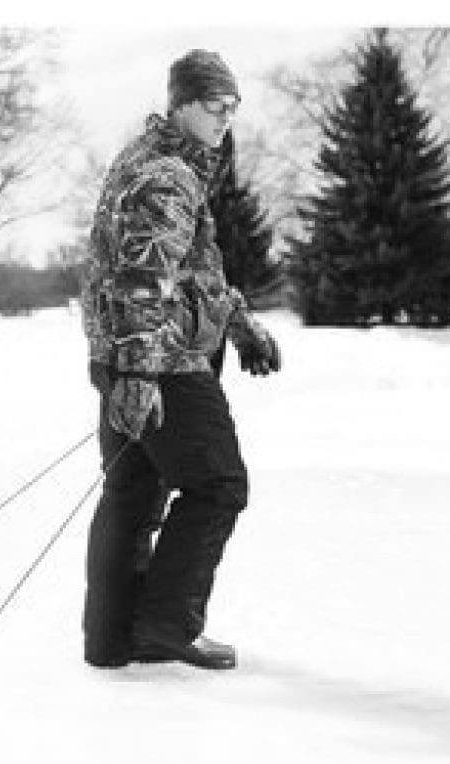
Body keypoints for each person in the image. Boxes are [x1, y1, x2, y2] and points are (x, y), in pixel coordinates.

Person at [79, 49, 282, 671]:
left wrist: (241, 324)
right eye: (215, 107)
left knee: (133, 492)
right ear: (182, 104)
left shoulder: (149, 162)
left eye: (233, 108)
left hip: (128, 356)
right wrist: (140, 374)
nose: (226, 119)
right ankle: (166, 626)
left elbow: (193, 269)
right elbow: (144, 278)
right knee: (218, 485)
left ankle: (111, 641)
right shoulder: (169, 174)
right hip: (163, 362)